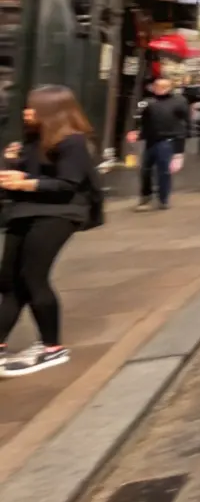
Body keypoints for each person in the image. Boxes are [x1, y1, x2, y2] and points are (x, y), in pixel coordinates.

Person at [0, 86, 99, 377]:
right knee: (8, 280)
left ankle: (52, 347)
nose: (25, 112)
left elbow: (68, 184)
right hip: (25, 212)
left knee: (33, 277)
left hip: (58, 213)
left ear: (50, 111)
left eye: (32, 108)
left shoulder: (73, 142)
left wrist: (25, 181)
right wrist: (10, 162)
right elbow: (20, 176)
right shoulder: (32, 141)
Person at [128, 77, 189, 211]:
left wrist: (179, 150)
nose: (159, 89)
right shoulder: (148, 102)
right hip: (151, 140)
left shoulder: (179, 102)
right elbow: (142, 120)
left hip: (167, 141)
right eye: (157, 86)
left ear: (169, 88)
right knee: (145, 170)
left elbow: (183, 124)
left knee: (164, 171)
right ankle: (146, 196)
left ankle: (163, 198)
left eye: (163, 87)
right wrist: (137, 132)